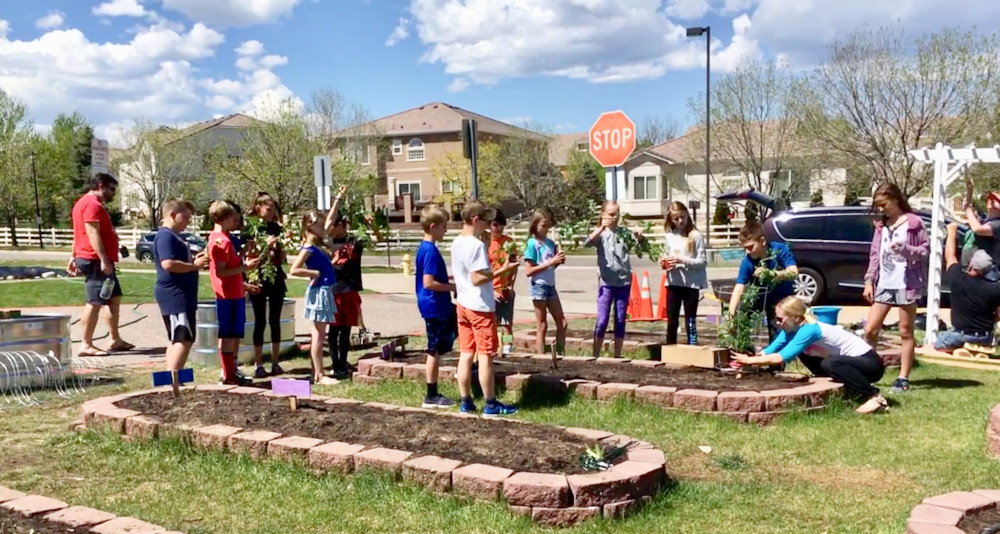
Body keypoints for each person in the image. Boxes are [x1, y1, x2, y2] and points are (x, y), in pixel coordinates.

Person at [732, 296, 888, 414]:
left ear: (796, 317)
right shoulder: (791, 328)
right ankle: (840, 384)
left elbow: (781, 357)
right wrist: (752, 360)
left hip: (871, 365)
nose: (777, 323)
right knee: (806, 353)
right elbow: (772, 349)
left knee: (831, 363)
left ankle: (874, 397)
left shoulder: (809, 329)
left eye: (780, 319)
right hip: (854, 363)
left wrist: (749, 360)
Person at [452, 201, 519, 416]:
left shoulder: (456, 242)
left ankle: (466, 401)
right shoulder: (477, 246)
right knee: (486, 355)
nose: (489, 226)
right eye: (486, 221)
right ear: (475, 220)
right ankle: (490, 403)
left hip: (463, 305)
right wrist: (503, 269)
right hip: (480, 306)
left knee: (466, 353)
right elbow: (478, 278)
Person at [862, 182, 929, 394]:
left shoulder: (913, 223)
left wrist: (906, 249)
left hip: (906, 283)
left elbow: (925, 251)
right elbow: (875, 255)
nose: (881, 209)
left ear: (896, 199)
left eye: (884, 204)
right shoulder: (881, 225)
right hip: (885, 283)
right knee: (870, 329)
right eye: (878, 205)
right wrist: (869, 280)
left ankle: (903, 378)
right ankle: (867, 371)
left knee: (905, 331)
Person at [69, 173, 134, 357]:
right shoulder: (91, 205)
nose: (113, 193)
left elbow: (77, 233)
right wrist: (104, 260)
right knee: (95, 302)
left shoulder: (85, 203)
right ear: (100, 185)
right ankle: (86, 343)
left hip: (97, 259)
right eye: (111, 189)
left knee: (114, 298)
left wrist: (73, 256)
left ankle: (115, 339)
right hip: (95, 260)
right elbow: (91, 233)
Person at [208, 200, 260, 386]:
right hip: (227, 294)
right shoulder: (220, 241)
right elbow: (221, 271)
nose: (236, 222)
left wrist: (243, 252)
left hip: (235, 292)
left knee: (233, 334)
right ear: (224, 218)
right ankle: (228, 373)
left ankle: (232, 370)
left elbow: (230, 263)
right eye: (233, 219)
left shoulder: (226, 239)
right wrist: (245, 267)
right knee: (228, 335)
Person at [153, 198, 207, 371]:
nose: (188, 222)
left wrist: (194, 260)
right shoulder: (165, 236)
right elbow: (168, 264)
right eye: (186, 217)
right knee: (184, 337)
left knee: (178, 338)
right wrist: (194, 266)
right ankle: (173, 381)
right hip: (175, 295)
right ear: (173, 215)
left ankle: (171, 379)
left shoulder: (173, 237)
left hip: (182, 294)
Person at [289, 208, 342, 386]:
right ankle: (319, 374)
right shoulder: (308, 246)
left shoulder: (317, 244)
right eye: (318, 224)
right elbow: (294, 269)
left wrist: (338, 200)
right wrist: (315, 272)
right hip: (319, 290)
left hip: (324, 289)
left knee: (318, 334)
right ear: (310, 226)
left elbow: (330, 219)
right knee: (319, 334)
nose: (323, 227)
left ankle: (317, 371)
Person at [416, 203, 458, 408]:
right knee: (434, 349)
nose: (446, 230)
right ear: (433, 226)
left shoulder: (425, 248)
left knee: (444, 343)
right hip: (435, 305)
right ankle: (431, 394)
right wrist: (453, 286)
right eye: (444, 226)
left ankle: (467, 368)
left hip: (435, 305)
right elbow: (428, 282)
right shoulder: (430, 251)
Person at [934, 222, 1000, 351]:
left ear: (970, 265)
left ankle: (961, 348)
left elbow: (950, 256)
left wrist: (952, 232)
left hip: (960, 334)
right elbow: (998, 315)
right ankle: (978, 348)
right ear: (988, 270)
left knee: (938, 342)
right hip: (984, 336)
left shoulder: (958, 279)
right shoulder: (995, 289)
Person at [728, 221, 798, 341]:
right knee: (743, 323)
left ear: (762, 241)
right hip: (761, 299)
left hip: (783, 300)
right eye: (745, 248)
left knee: (781, 335)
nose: (747, 251)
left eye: (750, 247)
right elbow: (739, 287)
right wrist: (731, 314)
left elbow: (793, 272)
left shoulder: (779, 250)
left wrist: (772, 274)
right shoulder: (748, 262)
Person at [247, 192, 288, 378]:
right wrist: (264, 246)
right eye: (269, 209)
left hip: (276, 277)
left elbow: (281, 257)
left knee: (275, 320)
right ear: (258, 208)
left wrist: (280, 247)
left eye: (274, 209)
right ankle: (258, 364)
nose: (272, 213)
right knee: (260, 321)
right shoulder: (250, 228)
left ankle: (275, 362)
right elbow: (249, 256)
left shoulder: (275, 227)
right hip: (258, 277)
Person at [584, 201, 632, 358]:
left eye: (617, 213)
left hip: (623, 281)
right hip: (606, 283)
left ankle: (617, 355)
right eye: (611, 214)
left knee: (619, 318)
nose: (614, 217)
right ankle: (595, 354)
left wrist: (639, 236)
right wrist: (600, 228)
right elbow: (587, 243)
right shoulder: (601, 235)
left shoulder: (623, 233)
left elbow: (640, 246)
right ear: (603, 215)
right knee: (603, 319)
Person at [325, 207, 365, 379]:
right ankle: (335, 363)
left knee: (346, 329)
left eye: (334, 226)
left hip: (349, 289)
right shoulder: (327, 244)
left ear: (341, 225)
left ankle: (343, 360)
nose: (331, 230)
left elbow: (353, 259)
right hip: (334, 290)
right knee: (333, 330)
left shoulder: (354, 242)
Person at [661, 201, 708, 345]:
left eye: (682, 217)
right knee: (672, 321)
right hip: (674, 283)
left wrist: (683, 260)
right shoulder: (669, 237)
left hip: (691, 285)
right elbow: (664, 255)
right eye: (676, 218)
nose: (680, 221)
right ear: (670, 219)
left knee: (690, 320)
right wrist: (664, 263)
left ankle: (692, 348)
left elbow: (703, 261)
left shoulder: (696, 236)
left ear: (687, 215)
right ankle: (670, 349)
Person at [523, 208, 568, 355]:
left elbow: (550, 267)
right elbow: (529, 271)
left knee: (562, 323)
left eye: (548, 225)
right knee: (542, 325)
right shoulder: (532, 244)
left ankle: (560, 354)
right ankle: (541, 356)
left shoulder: (550, 243)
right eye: (543, 225)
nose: (546, 229)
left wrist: (557, 262)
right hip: (539, 286)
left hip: (550, 285)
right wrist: (551, 262)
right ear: (535, 225)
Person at [487, 209, 518, 356]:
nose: (498, 228)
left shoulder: (509, 242)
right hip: (491, 290)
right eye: (495, 225)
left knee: (507, 323)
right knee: (492, 322)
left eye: (501, 225)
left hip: (505, 288)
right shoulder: (486, 244)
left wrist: (511, 285)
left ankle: (508, 345)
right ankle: (493, 347)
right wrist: (491, 290)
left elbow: (514, 265)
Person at [962, 180, 1000, 281]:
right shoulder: (985, 220)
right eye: (990, 198)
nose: (991, 201)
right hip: (974, 269)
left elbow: (978, 229)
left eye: (996, 200)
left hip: (988, 271)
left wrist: (967, 209)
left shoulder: (997, 224)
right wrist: (970, 190)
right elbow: (968, 205)